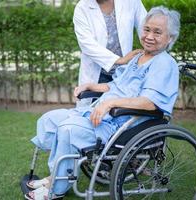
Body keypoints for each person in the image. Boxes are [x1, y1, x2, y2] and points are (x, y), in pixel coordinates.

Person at [25, 6, 181, 200]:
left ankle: (56, 188)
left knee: (67, 129)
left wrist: (109, 103)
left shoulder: (164, 63)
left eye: (158, 32)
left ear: (170, 38)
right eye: (147, 29)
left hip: (119, 124)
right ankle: (57, 173)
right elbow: (116, 84)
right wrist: (91, 85)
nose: (149, 36)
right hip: (100, 114)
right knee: (49, 119)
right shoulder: (138, 57)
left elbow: (150, 102)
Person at [73, 0, 147, 106]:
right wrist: (119, 60)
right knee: (92, 113)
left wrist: (150, 55)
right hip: (97, 74)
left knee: (121, 113)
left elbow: (146, 28)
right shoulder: (82, 7)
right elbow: (86, 44)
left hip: (124, 73)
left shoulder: (131, 2)